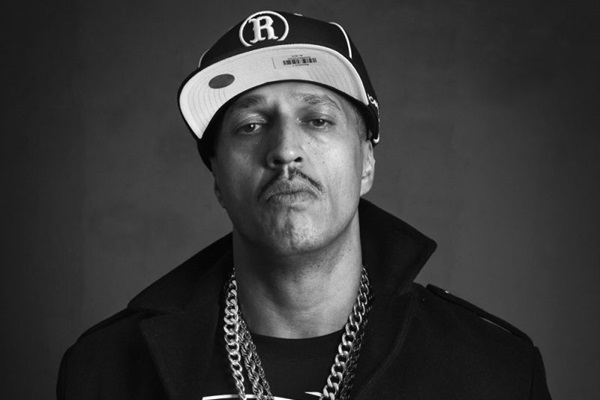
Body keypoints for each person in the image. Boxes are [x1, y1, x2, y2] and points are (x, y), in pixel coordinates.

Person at [57, 10, 552, 400]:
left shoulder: (496, 369)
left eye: (317, 119)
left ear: (366, 164)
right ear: (217, 180)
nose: (285, 150)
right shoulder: (106, 370)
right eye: (251, 125)